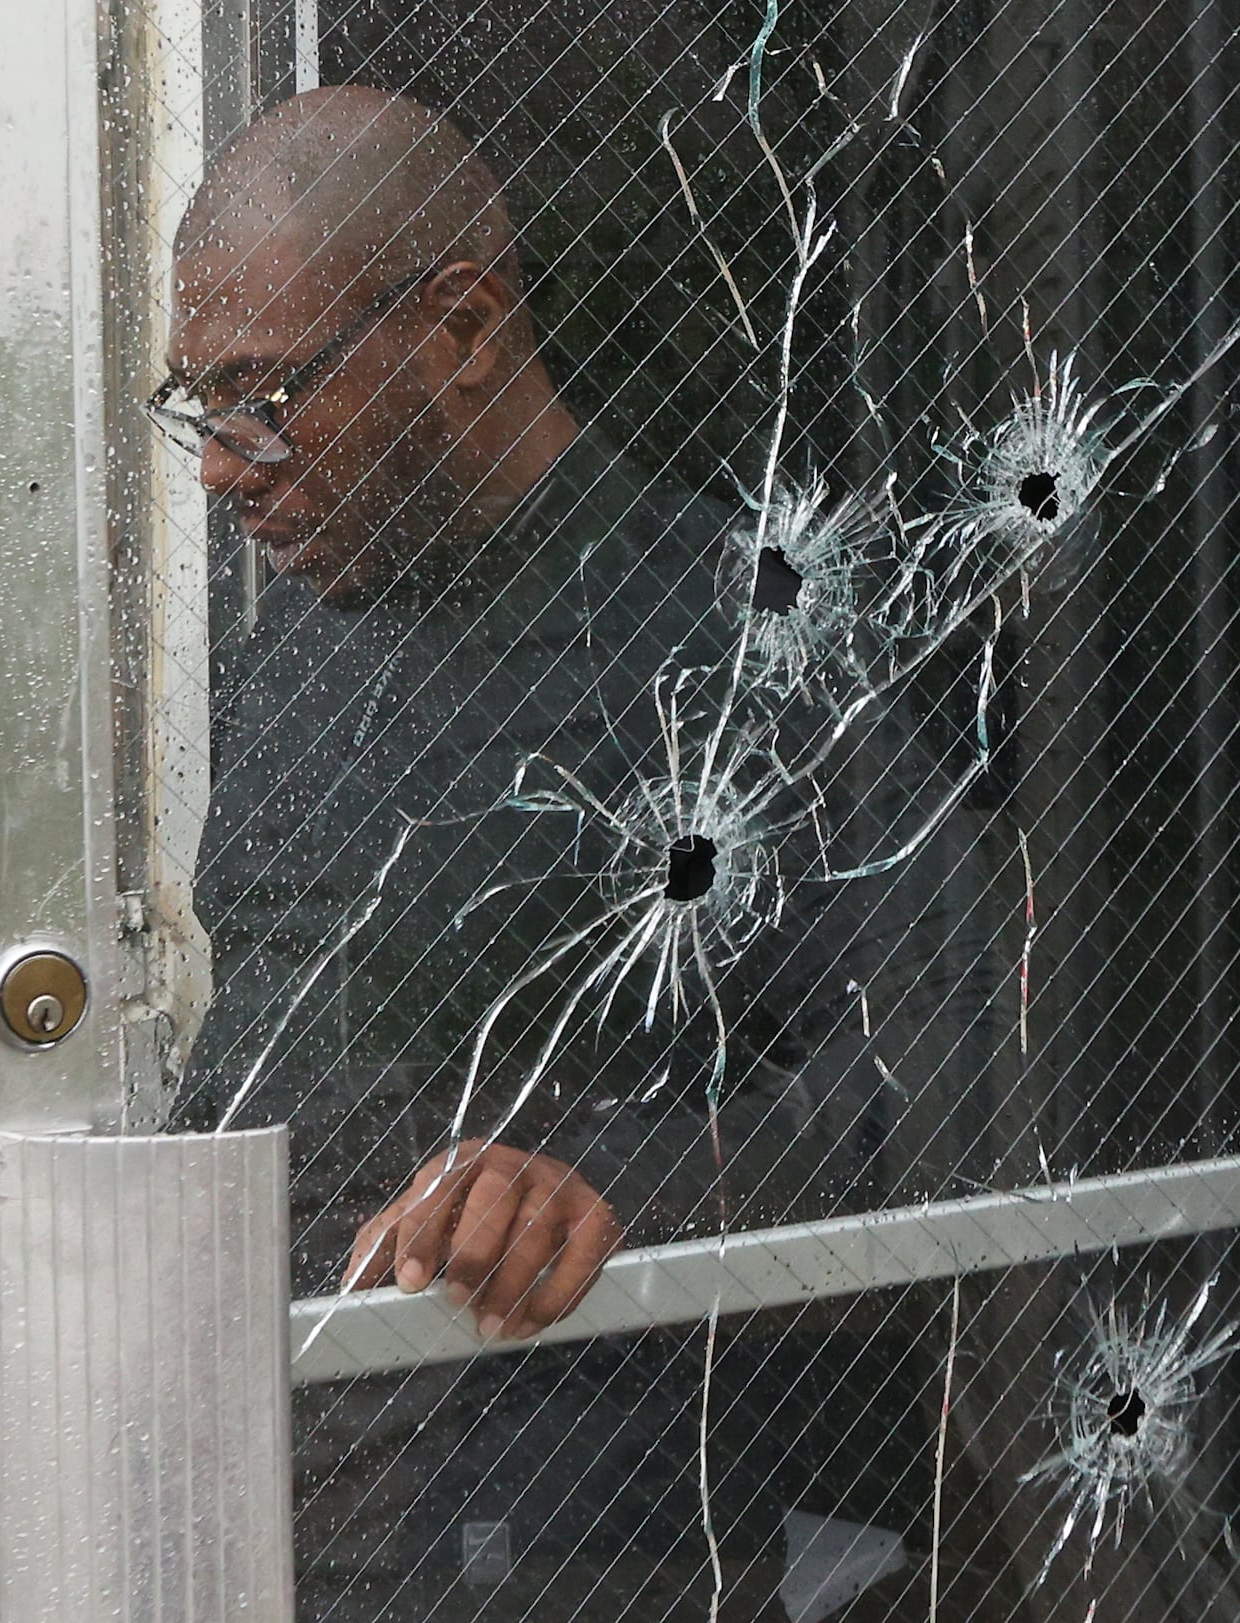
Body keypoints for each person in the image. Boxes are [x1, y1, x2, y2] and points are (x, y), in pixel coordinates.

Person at [158, 86, 1003, 1623]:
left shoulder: (741, 644)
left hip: (592, 1541)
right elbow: (282, 1041)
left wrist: (616, 1186)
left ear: (465, 330)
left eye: (263, 396)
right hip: (275, 1502)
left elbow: (964, 1058)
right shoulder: (289, 642)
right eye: (195, 406)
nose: (223, 467)